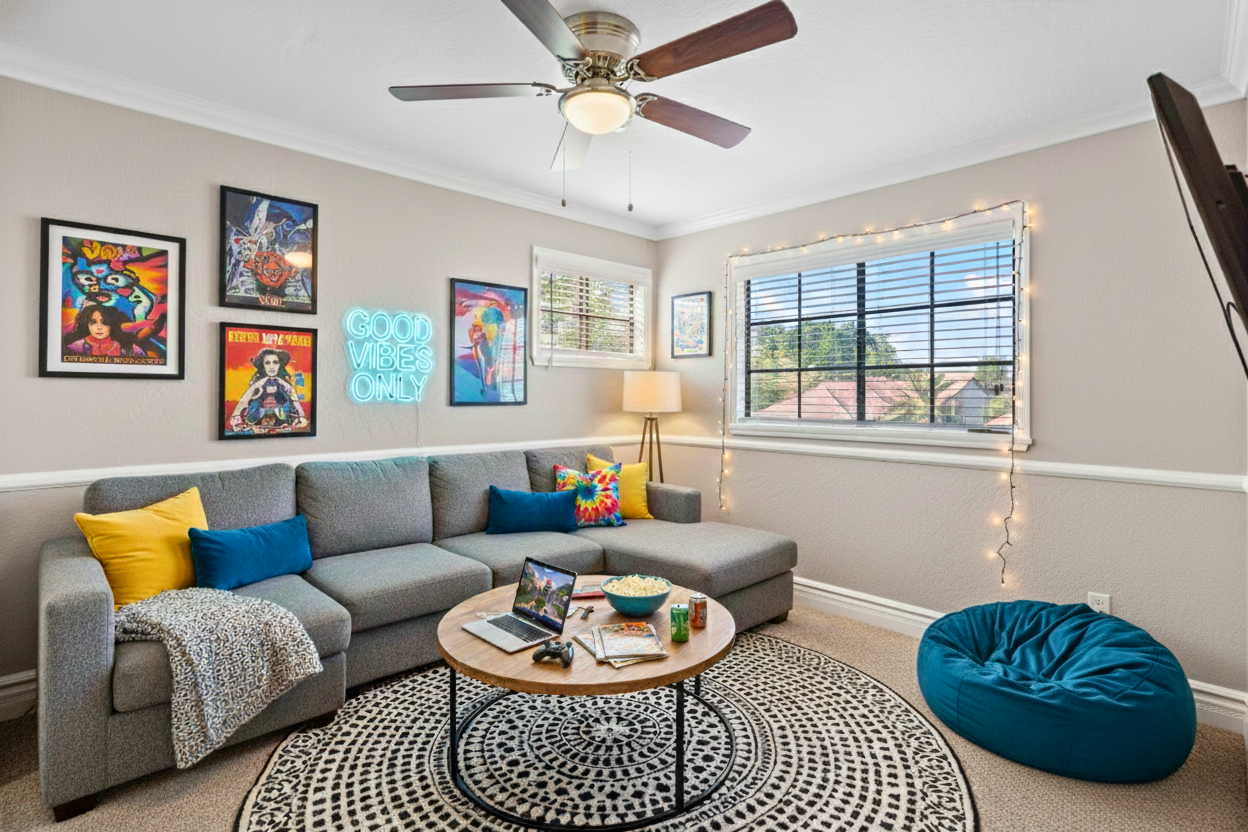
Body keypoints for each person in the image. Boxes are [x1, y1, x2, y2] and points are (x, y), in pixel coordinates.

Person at [228, 348, 308, 433]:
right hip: (257, 420)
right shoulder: (258, 384)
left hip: (282, 421)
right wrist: (236, 418)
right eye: (267, 363)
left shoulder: (284, 385)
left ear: (279, 365)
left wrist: (301, 417)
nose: (272, 366)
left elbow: (295, 401)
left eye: (275, 362)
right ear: (263, 365)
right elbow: (244, 401)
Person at [63, 304, 143, 358]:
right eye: (93, 322)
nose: (99, 327)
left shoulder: (130, 349)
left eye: (105, 323)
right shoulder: (75, 347)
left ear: (112, 324)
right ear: (86, 324)